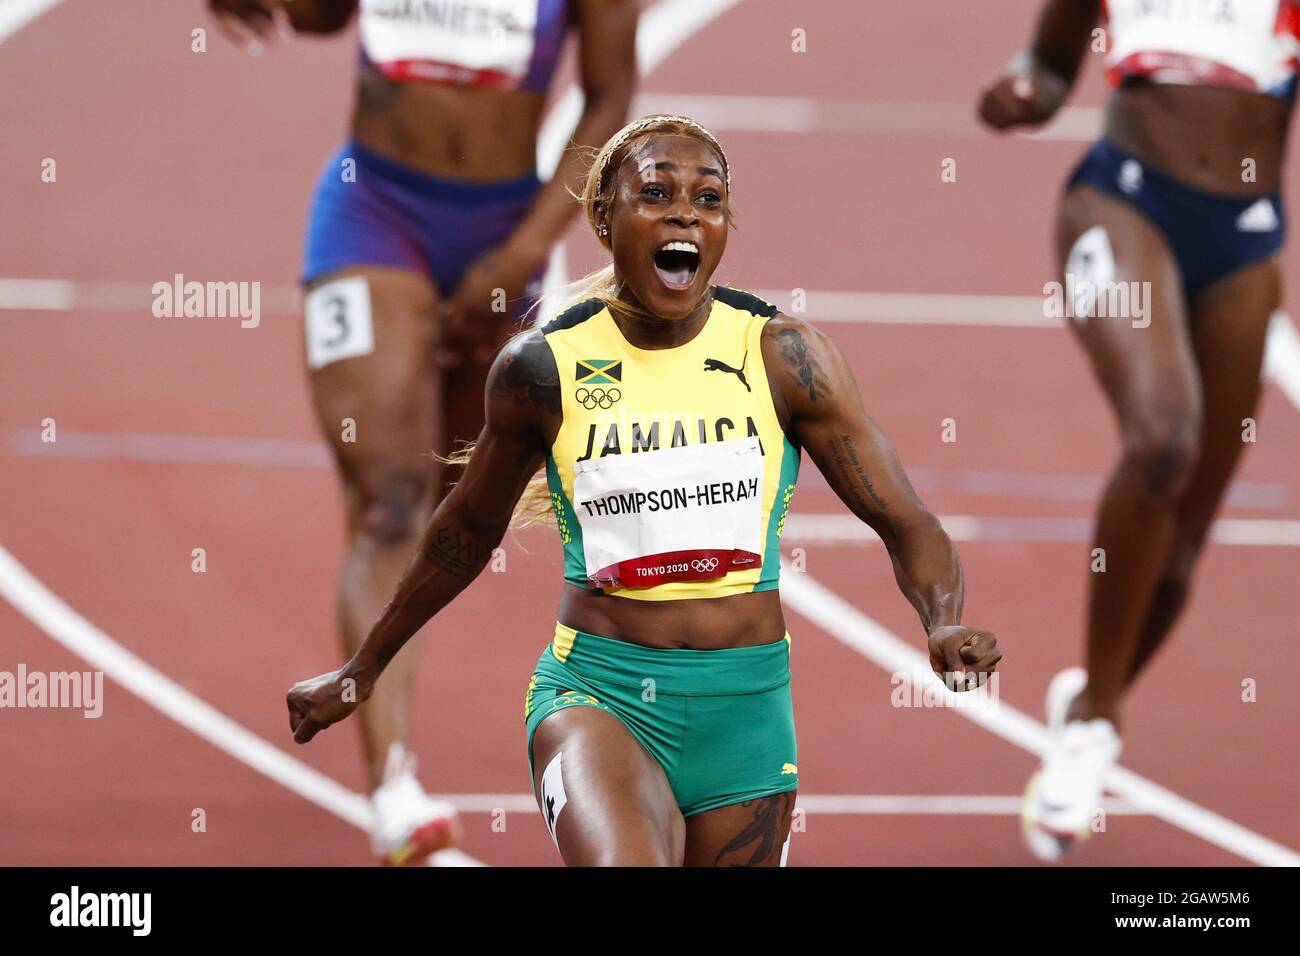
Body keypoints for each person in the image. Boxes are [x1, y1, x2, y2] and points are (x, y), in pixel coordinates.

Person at [284, 115, 1002, 866]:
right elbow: (463, 531)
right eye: (656, 192)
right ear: (604, 218)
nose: (685, 212)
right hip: (600, 696)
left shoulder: (785, 357)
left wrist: (942, 622)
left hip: (747, 714)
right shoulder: (543, 369)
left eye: (709, 198)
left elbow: (905, 520)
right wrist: (362, 668)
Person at [209, 0, 637, 864]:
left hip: (507, 226)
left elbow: (607, 97)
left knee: (448, 507)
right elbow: (325, 15)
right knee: (389, 501)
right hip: (375, 211)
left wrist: (524, 252)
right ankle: (393, 787)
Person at [978, 0, 1291, 860]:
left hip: (1246, 242)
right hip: (1119, 205)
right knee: (1163, 439)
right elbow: (1047, 71)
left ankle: (1085, 716)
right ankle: (1099, 720)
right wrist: (1019, 94)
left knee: (1183, 546)